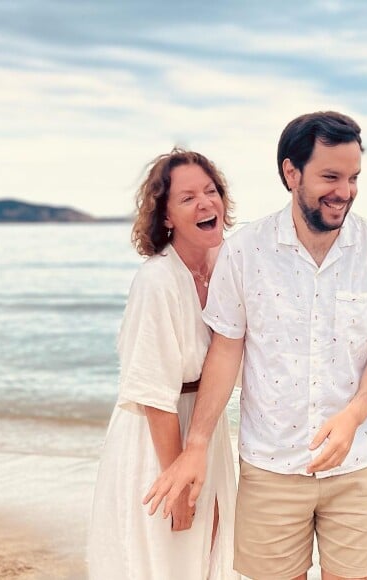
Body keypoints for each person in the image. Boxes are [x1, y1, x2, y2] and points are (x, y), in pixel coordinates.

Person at [144, 111, 367, 580]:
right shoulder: (244, 251)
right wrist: (195, 446)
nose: (345, 191)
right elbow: (226, 350)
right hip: (269, 465)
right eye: (330, 176)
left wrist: (352, 416)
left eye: (353, 177)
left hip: (356, 465)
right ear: (291, 173)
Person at [87, 149, 240, 580]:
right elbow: (154, 396)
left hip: (205, 429)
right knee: (165, 559)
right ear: (166, 216)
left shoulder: (226, 265)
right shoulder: (156, 282)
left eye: (211, 191)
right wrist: (179, 488)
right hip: (160, 437)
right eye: (188, 197)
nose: (206, 203)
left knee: (210, 555)